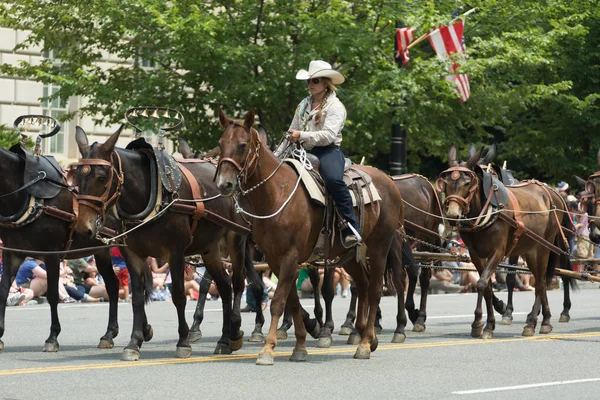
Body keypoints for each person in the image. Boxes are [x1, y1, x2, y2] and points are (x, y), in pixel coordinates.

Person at [279, 59, 360, 248]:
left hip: (328, 151)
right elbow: (292, 131)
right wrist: (277, 155)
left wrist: (302, 135)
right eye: (308, 81)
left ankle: (350, 227)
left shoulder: (336, 107)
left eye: (314, 81)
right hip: (301, 151)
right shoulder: (303, 104)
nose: (310, 84)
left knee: (333, 180)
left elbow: (329, 135)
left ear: (325, 83)